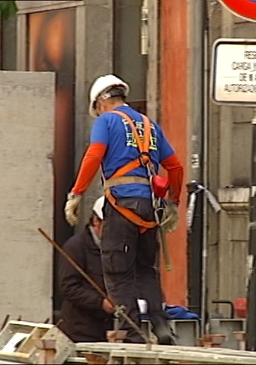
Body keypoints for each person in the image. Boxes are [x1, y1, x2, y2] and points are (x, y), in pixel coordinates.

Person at [63, 74, 184, 345]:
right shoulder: (150, 125)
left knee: (118, 272)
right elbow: (175, 167)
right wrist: (173, 203)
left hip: (121, 204)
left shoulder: (107, 121)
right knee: (145, 269)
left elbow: (94, 154)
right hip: (150, 208)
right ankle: (160, 323)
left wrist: (77, 193)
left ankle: (133, 333)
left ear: (101, 102)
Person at [58, 197, 114, 342]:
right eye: (111, 226)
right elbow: (68, 287)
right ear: (96, 221)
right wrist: (100, 303)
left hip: (109, 330)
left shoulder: (117, 249)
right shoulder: (75, 247)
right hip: (81, 331)